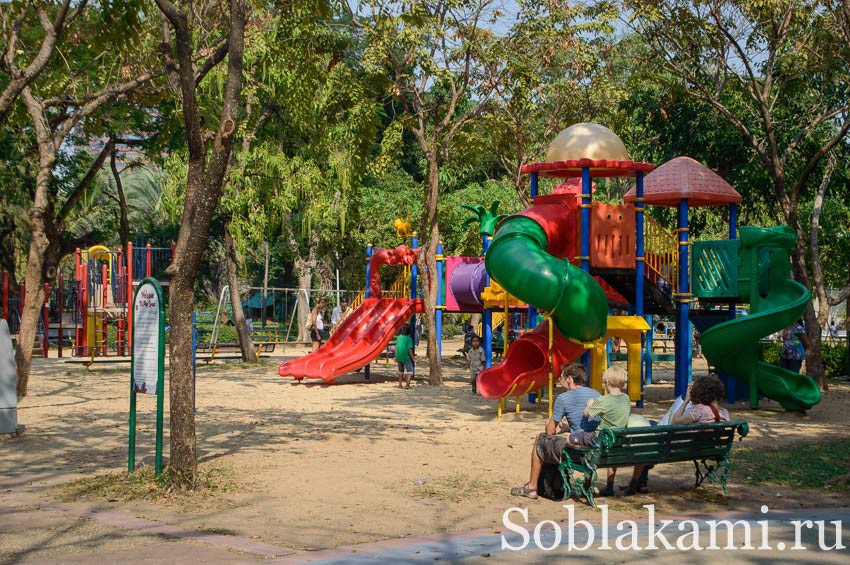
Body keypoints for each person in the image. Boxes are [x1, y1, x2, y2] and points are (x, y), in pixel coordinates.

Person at [509, 364, 601, 500]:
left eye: (562, 377)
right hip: (597, 450)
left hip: (579, 452)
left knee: (540, 439)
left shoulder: (564, 398)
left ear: (569, 379)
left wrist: (550, 425)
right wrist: (568, 428)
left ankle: (532, 487)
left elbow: (550, 431)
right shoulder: (596, 394)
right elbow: (591, 425)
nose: (560, 380)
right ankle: (587, 487)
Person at [569, 365, 631, 497]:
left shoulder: (603, 400)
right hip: (617, 441)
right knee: (608, 451)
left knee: (572, 438)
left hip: (599, 441)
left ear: (607, 382)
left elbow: (586, 414)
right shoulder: (626, 399)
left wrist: (590, 403)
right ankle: (609, 486)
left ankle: (585, 479)